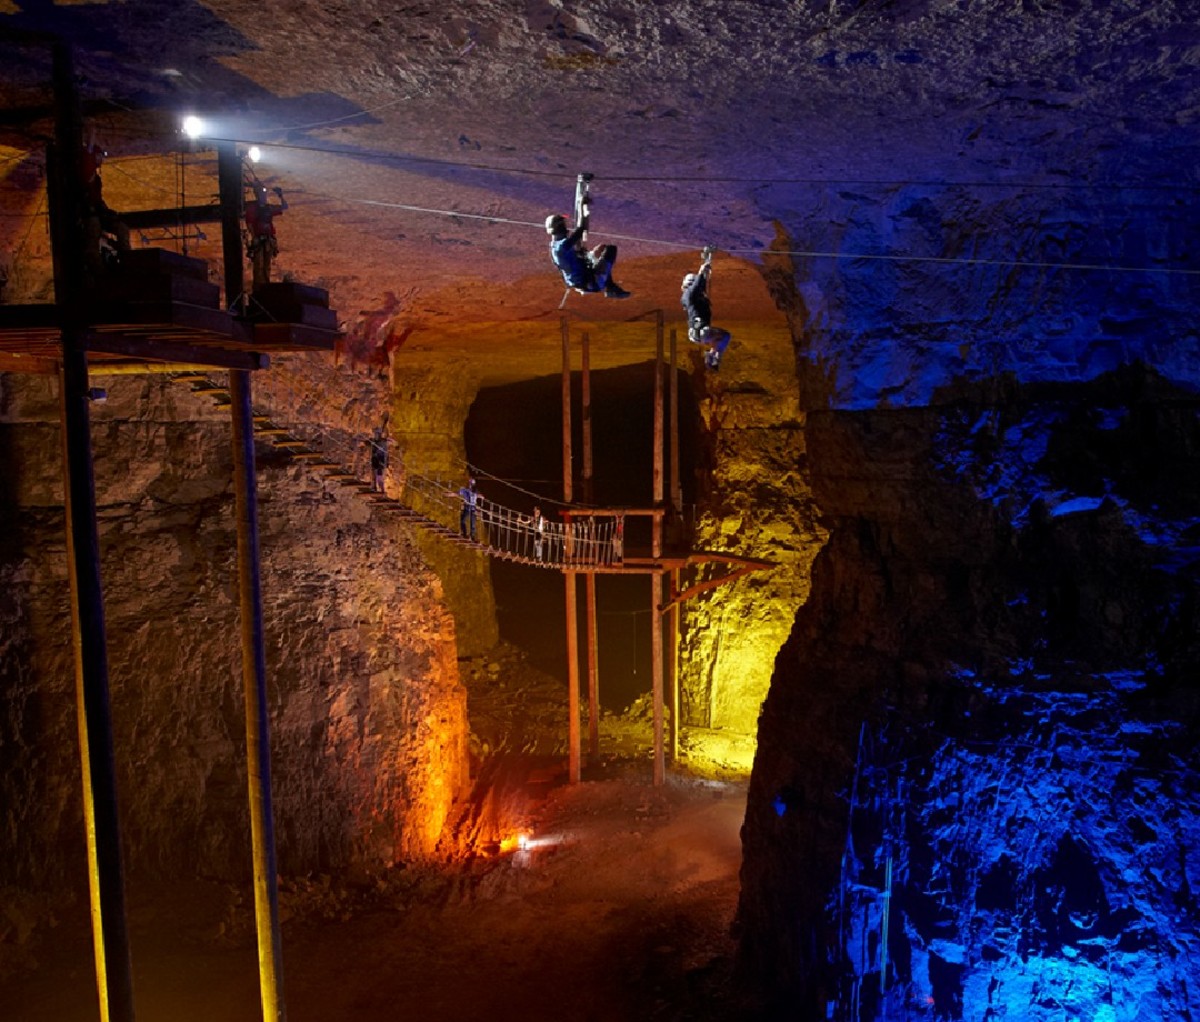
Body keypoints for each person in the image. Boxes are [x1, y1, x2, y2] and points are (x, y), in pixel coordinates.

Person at [545, 198, 630, 299]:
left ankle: (609, 285)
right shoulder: (562, 246)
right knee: (611, 250)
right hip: (591, 282)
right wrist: (582, 205)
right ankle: (610, 287)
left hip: (583, 273)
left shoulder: (555, 244)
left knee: (601, 249)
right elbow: (581, 228)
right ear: (560, 228)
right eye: (564, 225)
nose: (566, 227)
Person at [80, 125, 130, 278]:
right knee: (92, 236)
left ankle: (127, 262)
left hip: (98, 209)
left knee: (122, 228)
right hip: (88, 212)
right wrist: (92, 131)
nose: (102, 159)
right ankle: (100, 273)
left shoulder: (96, 178)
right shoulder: (86, 170)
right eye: (100, 155)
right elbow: (88, 151)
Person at [681, 246, 731, 371]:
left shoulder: (692, 296)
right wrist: (702, 269)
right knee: (724, 336)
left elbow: (700, 283)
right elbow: (697, 285)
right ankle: (713, 357)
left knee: (721, 337)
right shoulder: (689, 295)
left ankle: (712, 356)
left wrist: (707, 261)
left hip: (698, 332)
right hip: (701, 331)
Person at [244, 180, 288, 290]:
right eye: (261, 193)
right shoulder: (252, 208)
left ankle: (265, 286)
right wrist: (254, 238)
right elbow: (249, 223)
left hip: (268, 240)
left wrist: (280, 195)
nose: (263, 196)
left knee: (266, 265)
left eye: (264, 194)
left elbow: (284, 207)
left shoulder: (268, 208)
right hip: (259, 240)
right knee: (258, 265)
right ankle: (258, 288)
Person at [366, 426, 389, 494]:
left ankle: (381, 489)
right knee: (374, 474)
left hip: (380, 460)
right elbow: (367, 443)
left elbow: (382, 449)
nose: (376, 435)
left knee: (379, 475)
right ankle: (375, 487)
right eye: (375, 433)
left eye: (377, 433)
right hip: (376, 460)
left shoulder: (382, 442)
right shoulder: (374, 441)